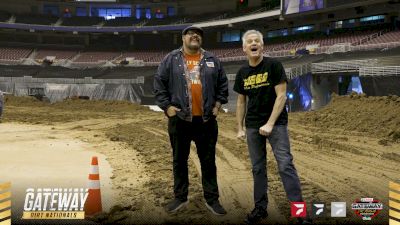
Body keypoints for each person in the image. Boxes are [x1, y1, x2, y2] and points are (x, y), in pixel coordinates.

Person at [234, 30, 310, 224]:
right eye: (249, 41)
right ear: (244, 48)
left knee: (285, 165)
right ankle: (260, 209)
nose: (253, 43)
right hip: (252, 126)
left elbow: (282, 96)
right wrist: (240, 128)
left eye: (257, 41)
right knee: (258, 168)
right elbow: (241, 102)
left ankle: (300, 213)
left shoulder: (273, 65)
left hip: (276, 125)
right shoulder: (242, 73)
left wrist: (269, 123)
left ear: (262, 46)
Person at [154, 26, 229, 215]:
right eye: (190, 33)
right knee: (179, 160)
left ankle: (212, 199)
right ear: (183, 38)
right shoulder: (171, 59)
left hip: (206, 120)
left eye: (198, 34)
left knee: (208, 161)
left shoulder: (212, 59)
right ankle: (180, 197)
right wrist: (167, 107)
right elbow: (159, 83)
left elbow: (223, 83)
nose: (195, 36)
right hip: (180, 119)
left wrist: (218, 105)